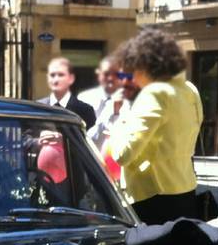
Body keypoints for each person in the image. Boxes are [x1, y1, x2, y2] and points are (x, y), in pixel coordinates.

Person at [106, 27, 204, 225]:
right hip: (185, 190)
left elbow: (123, 155)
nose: (131, 77)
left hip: (153, 197)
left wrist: (119, 122)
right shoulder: (189, 89)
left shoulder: (155, 93)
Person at [88, 68, 139, 151]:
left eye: (130, 77)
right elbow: (93, 140)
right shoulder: (112, 104)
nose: (125, 81)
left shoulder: (146, 103)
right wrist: (115, 113)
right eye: (121, 76)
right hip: (111, 161)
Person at [38, 57, 96, 128]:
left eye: (61, 75)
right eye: (52, 75)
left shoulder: (85, 110)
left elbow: (90, 137)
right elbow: (27, 135)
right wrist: (40, 138)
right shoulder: (38, 107)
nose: (56, 80)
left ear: (71, 78)